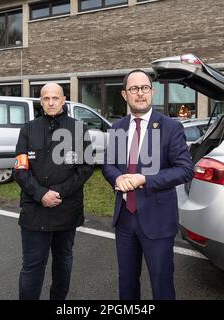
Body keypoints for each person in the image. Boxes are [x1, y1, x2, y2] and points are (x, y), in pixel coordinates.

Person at [102, 70, 194, 300]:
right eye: (134, 89)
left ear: (152, 91)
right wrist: (116, 178)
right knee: (127, 284)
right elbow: (108, 164)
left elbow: (184, 170)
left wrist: (145, 179)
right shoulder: (117, 128)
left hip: (158, 219)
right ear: (125, 94)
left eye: (144, 88)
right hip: (124, 219)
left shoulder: (171, 127)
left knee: (162, 286)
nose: (140, 93)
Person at [14, 83, 94, 300]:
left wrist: (58, 193)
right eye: (46, 98)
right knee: (32, 265)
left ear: (63, 100)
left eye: (55, 98)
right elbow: (20, 170)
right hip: (34, 210)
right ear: (41, 101)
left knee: (63, 261)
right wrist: (40, 194)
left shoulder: (78, 129)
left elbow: (85, 168)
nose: (50, 102)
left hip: (65, 209)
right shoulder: (28, 129)